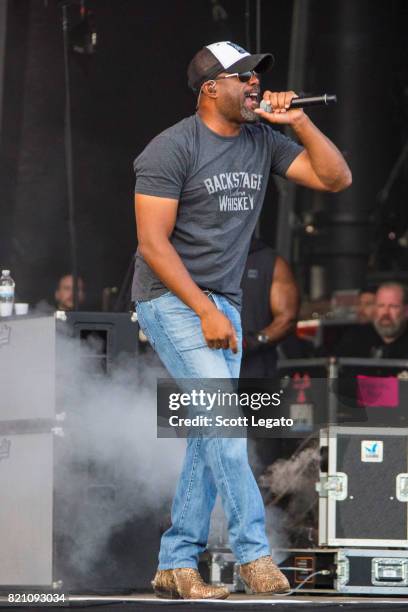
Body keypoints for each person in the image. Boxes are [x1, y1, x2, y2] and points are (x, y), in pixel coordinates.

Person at [132, 41, 351, 600]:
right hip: (171, 299)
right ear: (210, 88)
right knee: (225, 425)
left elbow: (335, 179)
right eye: (242, 76)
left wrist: (298, 121)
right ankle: (255, 555)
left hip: (222, 304)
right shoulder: (171, 148)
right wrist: (204, 310)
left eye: (257, 75)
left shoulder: (262, 140)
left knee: (210, 435)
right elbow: (153, 246)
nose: (255, 83)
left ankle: (176, 563)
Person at [240, 236, 299, 379]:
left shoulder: (270, 262)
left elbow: (287, 319)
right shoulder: (203, 259)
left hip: (255, 374)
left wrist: (254, 340)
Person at [335, 282, 408, 358]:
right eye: (381, 306)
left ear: (406, 311)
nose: (386, 313)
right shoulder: (355, 337)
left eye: (393, 306)